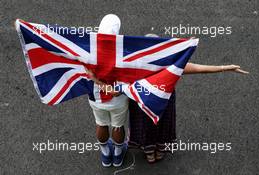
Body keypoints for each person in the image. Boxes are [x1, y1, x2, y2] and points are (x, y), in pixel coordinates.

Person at [128, 34, 249, 163]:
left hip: (142, 102)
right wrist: (225, 68)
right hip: (164, 102)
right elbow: (199, 69)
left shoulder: (133, 65)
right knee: (163, 125)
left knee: (145, 125)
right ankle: (160, 150)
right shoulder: (170, 64)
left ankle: (149, 153)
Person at [84, 14, 129, 167]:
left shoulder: (89, 51)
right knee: (118, 126)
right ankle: (117, 155)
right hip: (118, 100)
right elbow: (119, 88)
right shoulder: (123, 53)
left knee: (101, 124)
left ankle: (105, 154)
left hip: (95, 98)